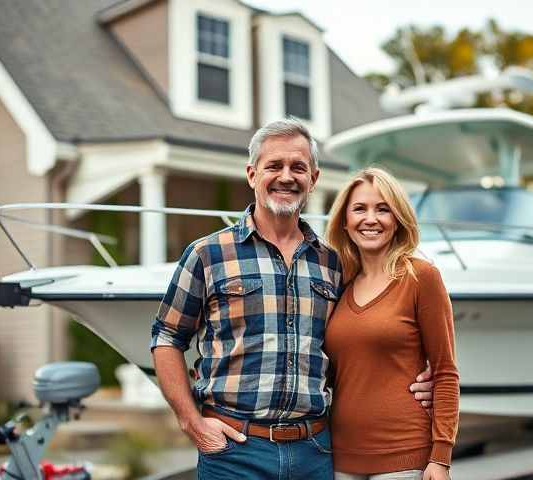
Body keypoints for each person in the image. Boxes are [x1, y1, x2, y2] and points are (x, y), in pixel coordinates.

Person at [150, 119, 433, 480]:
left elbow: (366, 336)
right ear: (252, 174)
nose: (287, 176)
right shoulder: (208, 254)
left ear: (313, 179)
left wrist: (418, 372)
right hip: (234, 452)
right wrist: (191, 422)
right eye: (274, 166)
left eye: (298, 167)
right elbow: (167, 337)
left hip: (315, 451)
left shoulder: (335, 263)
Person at [324, 168, 459, 480]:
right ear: (345, 221)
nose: (371, 219)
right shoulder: (339, 283)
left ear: (397, 218)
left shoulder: (421, 277)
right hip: (341, 456)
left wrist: (441, 458)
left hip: (405, 456)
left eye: (383, 209)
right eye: (360, 208)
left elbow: (445, 372)